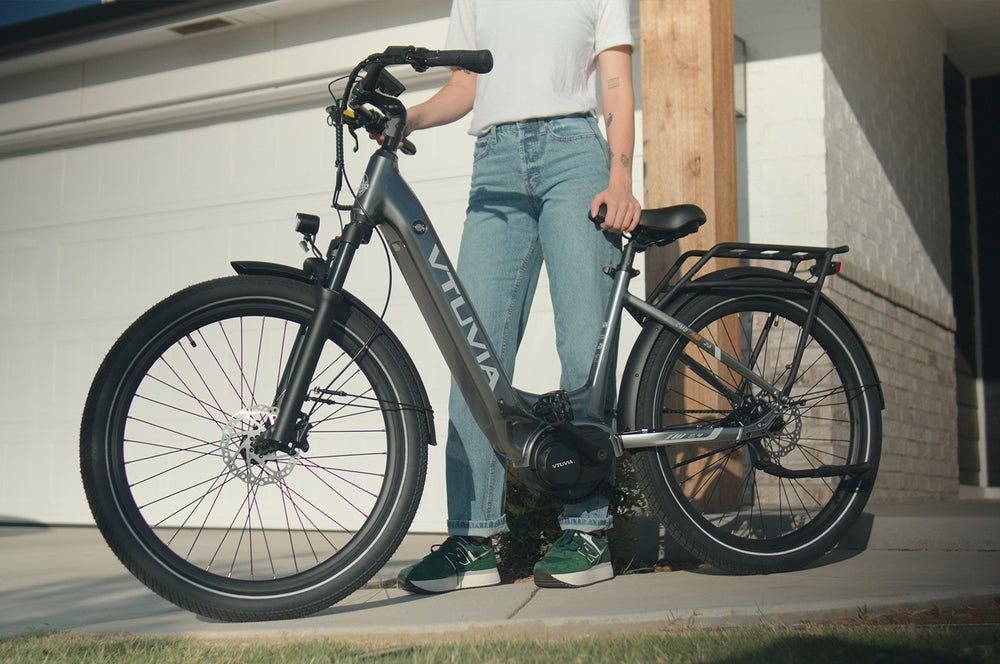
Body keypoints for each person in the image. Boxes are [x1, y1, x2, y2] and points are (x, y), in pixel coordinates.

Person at [396, 0, 641, 593]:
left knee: (583, 340)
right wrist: (410, 118)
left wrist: (621, 176)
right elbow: (464, 88)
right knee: (472, 349)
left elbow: (616, 84)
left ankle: (586, 530)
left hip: (574, 155)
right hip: (497, 164)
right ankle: (473, 541)